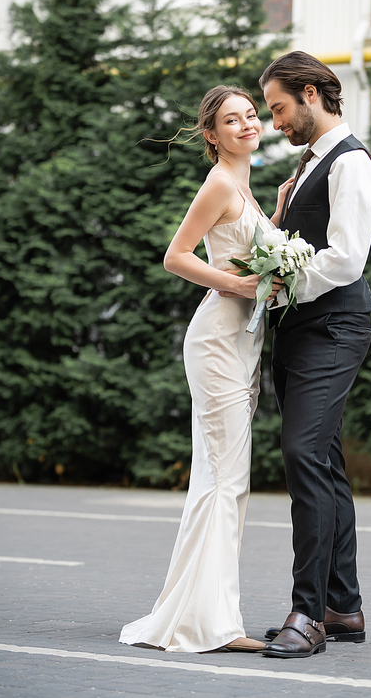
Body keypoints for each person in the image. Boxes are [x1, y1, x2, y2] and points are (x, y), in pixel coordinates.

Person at [119, 85, 290, 653]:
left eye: (251, 115)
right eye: (231, 120)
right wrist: (238, 283)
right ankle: (211, 625)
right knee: (224, 478)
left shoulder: (245, 185)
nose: (247, 124)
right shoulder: (219, 182)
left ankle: (204, 613)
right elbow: (177, 255)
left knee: (226, 481)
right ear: (212, 136)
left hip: (241, 344)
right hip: (218, 339)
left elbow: (251, 243)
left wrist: (280, 220)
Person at [259, 51, 371, 658]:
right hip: (303, 329)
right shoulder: (310, 167)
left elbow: (345, 259)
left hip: (333, 326)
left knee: (303, 453)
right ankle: (344, 606)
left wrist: (286, 283)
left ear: (311, 93)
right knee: (326, 462)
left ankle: (307, 614)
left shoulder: (352, 164)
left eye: (279, 108)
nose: (274, 123)